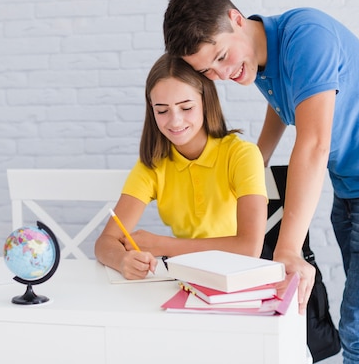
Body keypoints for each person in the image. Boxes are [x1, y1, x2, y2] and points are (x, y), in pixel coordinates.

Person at [162, 0, 359, 364]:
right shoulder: (255, 59)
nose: (222, 74)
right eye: (208, 70)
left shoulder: (307, 37)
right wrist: (259, 157)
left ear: (237, 19)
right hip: (352, 184)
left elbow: (313, 144)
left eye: (221, 57)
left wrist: (287, 248)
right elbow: (286, 103)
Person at [94, 53, 268, 280]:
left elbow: (249, 248)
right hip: (186, 279)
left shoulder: (241, 155)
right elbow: (105, 242)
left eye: (186, 108)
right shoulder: (153, 164)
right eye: (162, 110)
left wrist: (163, 245)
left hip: (240, 278)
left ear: (206, 102)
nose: (175, 121)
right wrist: (122, 260)